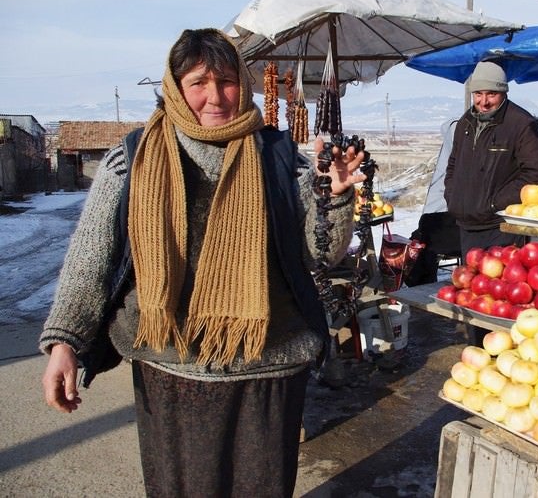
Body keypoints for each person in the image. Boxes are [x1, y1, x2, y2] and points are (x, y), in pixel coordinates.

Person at [40, 28, 364, 497]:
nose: (215, 97)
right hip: (172, 371)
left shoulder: (278, 157)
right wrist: (64, 344)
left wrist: (333, 198)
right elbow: (91, 259)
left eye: (228, 81)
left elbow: (320, 254)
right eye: (198, 82)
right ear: (175, 87)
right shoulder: (131, 160)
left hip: (267, 366)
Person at [444, 60, 538, 345]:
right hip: (467, 224)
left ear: (503, 93)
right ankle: (479, 351)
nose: (483, 101)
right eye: (478, 94)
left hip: (500, 228)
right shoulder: (465, 122)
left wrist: (495, 202)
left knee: (503, 299)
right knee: (474, 295)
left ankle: (508, 354)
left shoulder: (520, 124)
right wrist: (452, 194)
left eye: (490, 94)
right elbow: (454, 163)